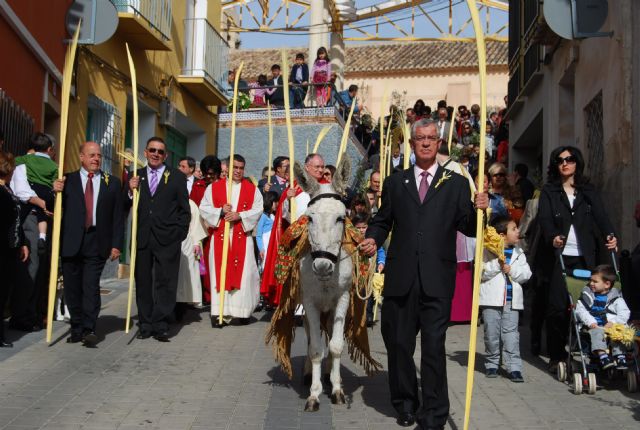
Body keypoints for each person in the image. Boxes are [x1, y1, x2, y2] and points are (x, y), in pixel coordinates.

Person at [360, 118, 489, 429]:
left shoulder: (455, 183)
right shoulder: (395, 182)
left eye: (432, 138)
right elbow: (383, 220)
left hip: (436, 279)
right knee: (399, 344)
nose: (427, 143)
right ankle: (405, 402)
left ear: (439, 143)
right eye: (421, 138)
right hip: (401, 277)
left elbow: (469, 227)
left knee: (433, 347)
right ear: (412, 144)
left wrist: (481, 208)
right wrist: (373, 237)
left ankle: (434, 414)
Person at [536, 146, 616, 372]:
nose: (565, 163)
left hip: (585, 257)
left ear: (576, 163)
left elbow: (602, 216)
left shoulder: (587, 191)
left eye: (570, 159)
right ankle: (556, 355)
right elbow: (544, 219)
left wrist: (610, 235)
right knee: (557, 308)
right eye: (560, 160)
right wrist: (553, 237)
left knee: (592, 307)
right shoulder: (550, 191)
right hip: (560, 258)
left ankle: (595, 353)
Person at [52, 142, 123, 346]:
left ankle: (89, 328)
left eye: (99, 155)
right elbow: (54, 209)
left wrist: (116, 244)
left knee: (90, 286)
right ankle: (76, 327)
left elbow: (117, 217)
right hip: (72, 241)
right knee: (72, 288)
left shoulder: (112, 182)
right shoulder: (68, 180)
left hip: (97, 241)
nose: (96, 159)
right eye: (91, 155)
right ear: (81, 156)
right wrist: (54, 191)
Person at [127, 137, 190, 342]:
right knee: (144, 281)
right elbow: (123, 204)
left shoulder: (177, 177)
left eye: (160, 152)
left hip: (168, 238)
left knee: (166, 281)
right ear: (145, 152)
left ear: (166, 155)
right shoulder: (136, 176)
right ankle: (145, 323)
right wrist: (130, 190)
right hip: (143, 237)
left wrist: (179, 233)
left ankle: (161, 323)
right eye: (152, 150)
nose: (156, 154)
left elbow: (184, 210)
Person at [200, 154, 263, 326]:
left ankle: (242, 312)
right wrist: (220, 211)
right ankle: (221, 313)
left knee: (245, 275)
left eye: (241, 168)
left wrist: (239, 215)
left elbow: (258, 209)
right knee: (220, 273)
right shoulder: (214, 188)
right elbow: (203, 208)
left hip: (242, 236)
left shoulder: (252, 189)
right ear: (227, 168)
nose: (238, 171)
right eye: (235, 167)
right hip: (221, 236)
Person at [480, 217, 531, 382]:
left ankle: (513, 366)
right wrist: (497, 264)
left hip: (512, 301)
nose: (518, 231)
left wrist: (511, 269)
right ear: (502, 235)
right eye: (514, 228)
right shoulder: (487, 251)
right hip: (491, 301)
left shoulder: (519, 253)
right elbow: (481, 273)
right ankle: (492, 363)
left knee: (511, 335)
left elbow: (526, 274)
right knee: (491, 333)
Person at [575, 264, 631, 370]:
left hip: (611, 326)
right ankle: (603, 356)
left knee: (618, 334)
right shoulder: (587, 296)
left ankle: (620, 356)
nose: (591, 283)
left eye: (595, 281)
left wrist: (614, 322)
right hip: (595, 326)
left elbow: (624, 313)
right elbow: (580, 310)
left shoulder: (616, 299)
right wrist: (590, 322)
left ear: (607, 284)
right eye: (590, 280)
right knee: (597, 332)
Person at [0, 151, 30, 347]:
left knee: (4, 292)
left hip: (9, 249)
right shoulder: (2, 192)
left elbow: (16, 222)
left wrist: (22, 243)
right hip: (2, 248)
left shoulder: (8, 190)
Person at [352, 212, 385, 326]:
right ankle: (356, 314)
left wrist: (381, 262)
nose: (361, 230)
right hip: (357, 271)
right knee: (358, 292)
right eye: (358, 228)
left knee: (369, 292)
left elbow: (380, 250)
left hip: (370, 269)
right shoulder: (352, 240)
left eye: (364, 227)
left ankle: (368, 315)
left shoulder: (371, 239)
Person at [256, 191, 278, 271]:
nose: (277, 203)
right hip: (266, 244)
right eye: (275, 202)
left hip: (273, 243)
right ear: (269, 202)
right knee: (265, 265)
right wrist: (261, 248)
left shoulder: (273, 216)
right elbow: (258, 235)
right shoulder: (263, 217)